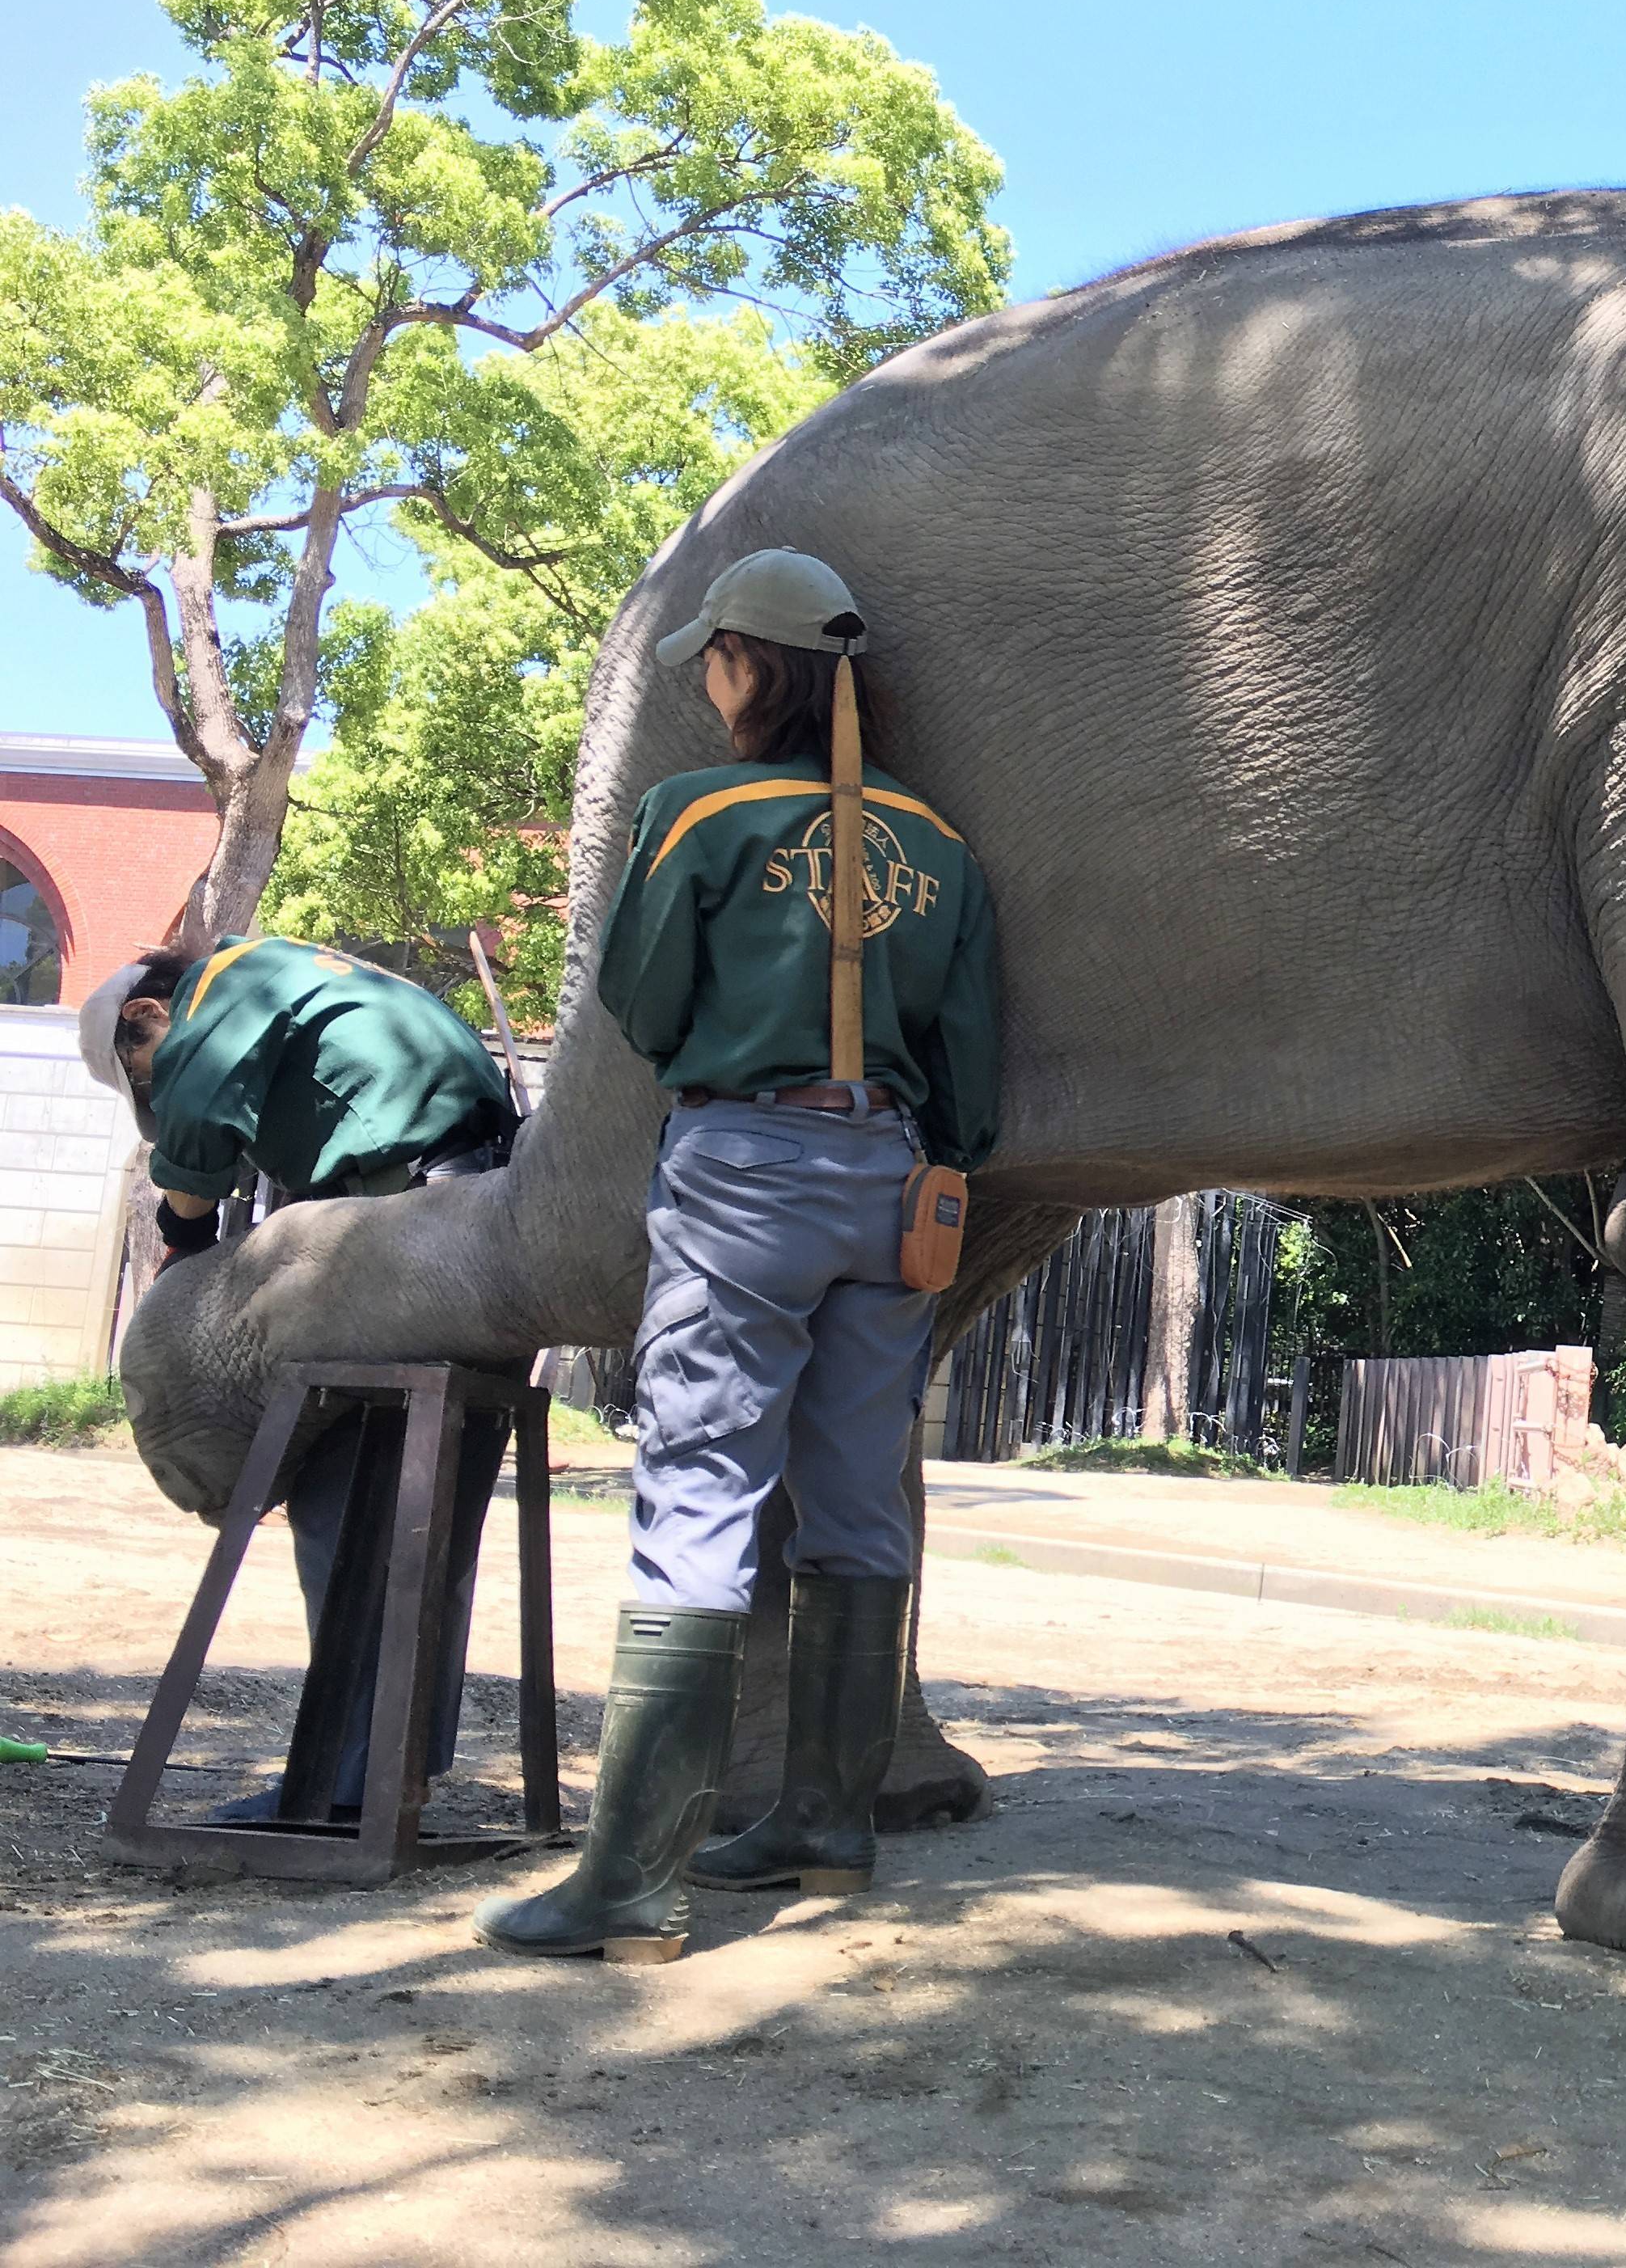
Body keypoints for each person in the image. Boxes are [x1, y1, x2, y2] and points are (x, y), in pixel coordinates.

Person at [475, 547, 999, 1965]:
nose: (705, 680)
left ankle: (630, 1886)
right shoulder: (939, 847)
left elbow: (640, 1001)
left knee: (698, 1490)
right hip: (892, 1179)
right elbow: (973, 1062)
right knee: (856, 1499)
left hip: (746, 1169)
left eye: (712, 657)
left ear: (749, 664)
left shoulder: (693, 812)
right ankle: (828, 1820)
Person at [79, 935, 521, 1818]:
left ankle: (337, 1788)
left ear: (146, 1014)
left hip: (406, 1232)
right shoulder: (309, 973)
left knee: (341, 1497)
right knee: (432, 1523)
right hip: (488, 1220)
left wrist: (182, 1242)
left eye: (147, 1081)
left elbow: (198, 1146)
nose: (160, 1101)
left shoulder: (223, 988)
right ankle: (391, 1772)